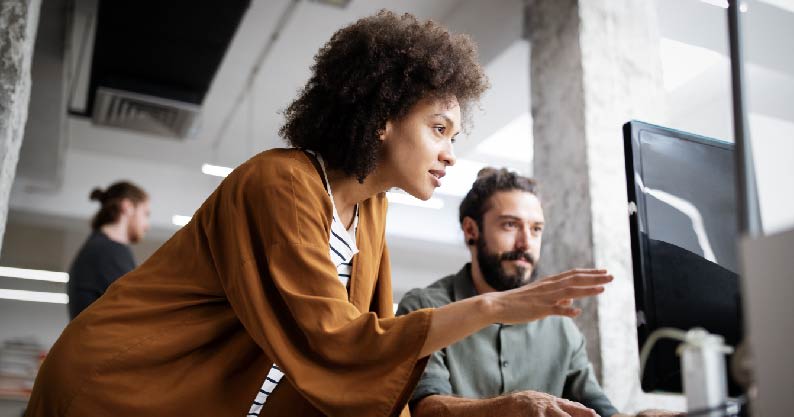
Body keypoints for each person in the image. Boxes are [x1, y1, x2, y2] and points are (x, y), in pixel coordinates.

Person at [25, 11, 611, 417]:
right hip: (119, 389)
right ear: (383, 116)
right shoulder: (279, 182)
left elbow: (371, 355)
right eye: (438, 129)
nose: (450, 153)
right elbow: (337, 342)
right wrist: (493, 307)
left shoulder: (372, 210)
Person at [398, 169, 678, 417]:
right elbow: (425, 408)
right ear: (471, 230)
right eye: (510, 225)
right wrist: (511, 407)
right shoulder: (425, 307)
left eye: (536, 229)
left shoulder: (561, 326)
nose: (525, 243)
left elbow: (598, 409)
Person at [67, 181, 150, 319]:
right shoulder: (108, 251)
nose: (147, 225)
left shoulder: (101, 248)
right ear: (128, 207)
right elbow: (137, 311)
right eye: (146, 214)